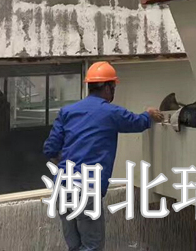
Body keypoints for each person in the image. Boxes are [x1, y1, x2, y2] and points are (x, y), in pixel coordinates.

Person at [43, 61, 164, 251]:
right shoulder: (111, 112)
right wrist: (149, 114)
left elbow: (50, 149)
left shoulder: (67, 112)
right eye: (113, 87)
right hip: (87, 188)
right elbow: (137, 123)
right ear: (108, 87)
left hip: (62, 187)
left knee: (74, 246)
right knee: (91, 246)